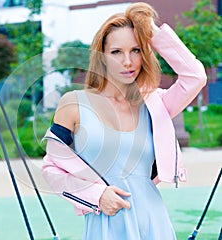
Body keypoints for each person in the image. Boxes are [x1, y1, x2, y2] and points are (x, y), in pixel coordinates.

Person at [41, 2, 207, 239]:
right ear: (102, 56)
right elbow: (51, 168)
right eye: (116, 52)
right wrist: (96, 194)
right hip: (105, 223)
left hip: (153, 221)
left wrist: (151, 30)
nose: (127, 61)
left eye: (136, 50)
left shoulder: (154, 104)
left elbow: (195, 77)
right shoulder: (74, 104)